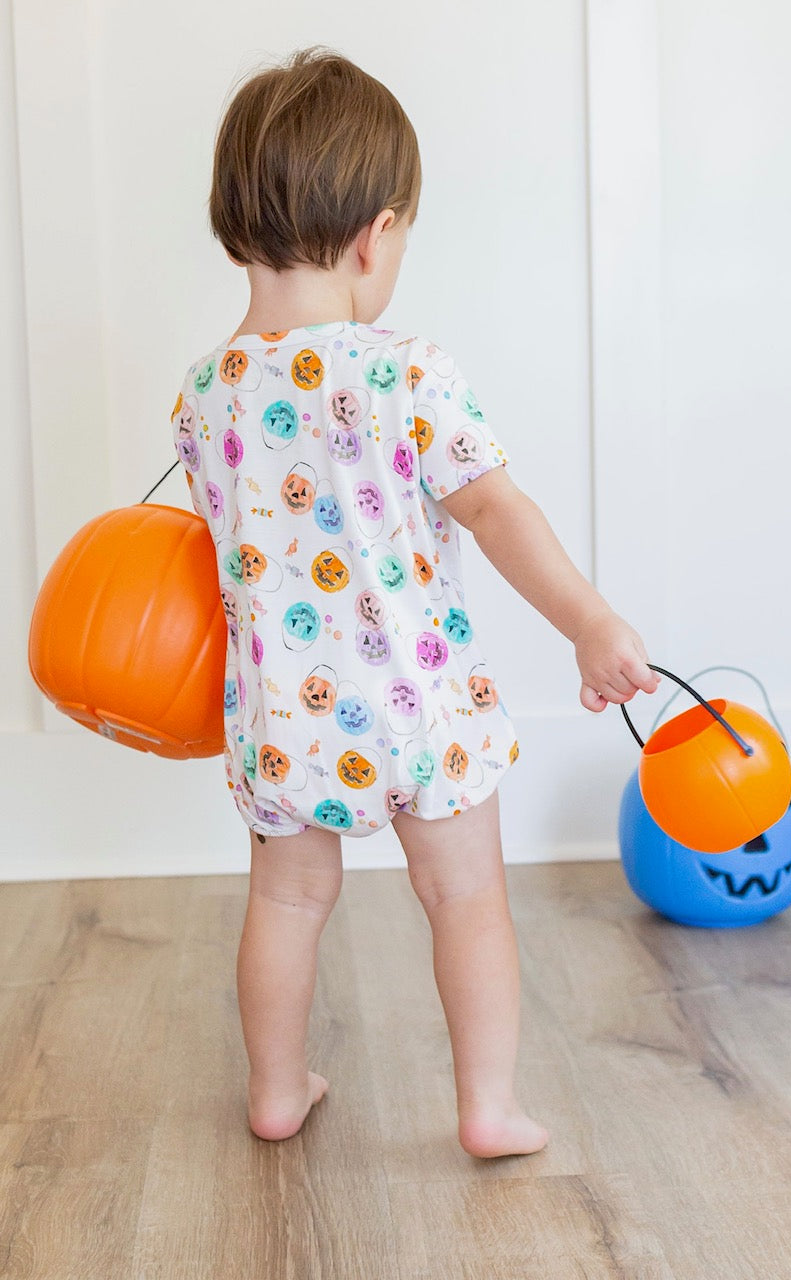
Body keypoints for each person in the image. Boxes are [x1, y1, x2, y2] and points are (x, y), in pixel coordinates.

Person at [173, 47, 658, 1156]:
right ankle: (486, 1105)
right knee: (465, 899)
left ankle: (277, 1089)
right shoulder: (404, 373)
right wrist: (588, 623)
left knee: (287, 904)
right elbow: (495, 513)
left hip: (282, 716)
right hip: (418, 707)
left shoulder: (203, 396)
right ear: (374, 235)